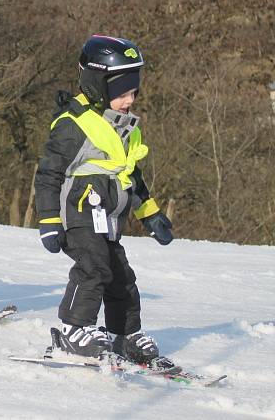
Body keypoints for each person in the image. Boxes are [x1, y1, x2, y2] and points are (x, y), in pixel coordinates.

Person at [34, 34, 174, 364]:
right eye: (121, 93)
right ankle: (72, 329)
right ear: (99, 85)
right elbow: (48, 174)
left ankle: (123, 335)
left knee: (121, 275)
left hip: (109, 218)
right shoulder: (73, 124)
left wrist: (150, 213)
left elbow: (131, 175)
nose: (129, 100)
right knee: (93, 267)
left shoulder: (125, 127)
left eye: (133, 92)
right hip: (78, 213)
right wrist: (49, 220)